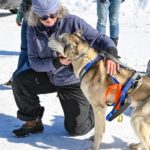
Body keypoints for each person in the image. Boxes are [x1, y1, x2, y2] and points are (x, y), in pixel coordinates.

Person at [12, 0, 120, 137]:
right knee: (20, 81)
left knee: (76, 129)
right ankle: (33, 121)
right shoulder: (33, 29)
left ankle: (92, 107)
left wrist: (112, 54)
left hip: (73, 82)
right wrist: (57, 63)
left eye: (53, 14)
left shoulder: (73, 22)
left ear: (59, 11)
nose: (49, 19)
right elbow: (33, 62)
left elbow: (100, 38)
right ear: (36, 16)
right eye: (44, 17)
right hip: (49, 74)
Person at [4, 0, 31, 86]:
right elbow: (24, 2)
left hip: (39, 23)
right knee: (24, 50)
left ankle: (18, 77)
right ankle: (17, 77)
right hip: (27, 21)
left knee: (32, 52)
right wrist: (19, 16)